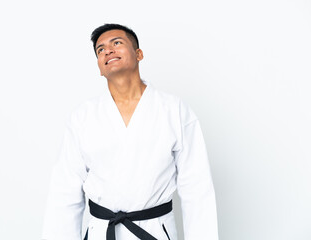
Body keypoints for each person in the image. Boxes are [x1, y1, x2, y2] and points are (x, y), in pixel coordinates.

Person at [41, 23, 219, 240]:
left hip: (154, 231)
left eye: (117, 43)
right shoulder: (83, 116)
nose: (108, 50)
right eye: (100, 49)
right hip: (101, 232)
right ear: (99, 67)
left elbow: (197, 189)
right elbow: (65, 193)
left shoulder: (174, 110)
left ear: (138, 54)